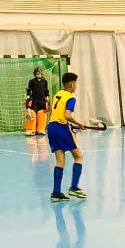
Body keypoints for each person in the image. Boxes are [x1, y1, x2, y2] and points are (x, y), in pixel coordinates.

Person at [47, 72, 89, 202]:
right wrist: (78, 124)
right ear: (72, 84)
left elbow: (56, 112)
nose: (76, 86)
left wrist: (70, 124)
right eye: (75, 83)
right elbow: (67, 115)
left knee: (60, 161)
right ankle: (74, 187)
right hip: (61, 128)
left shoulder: (58, 94)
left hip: (51, 127)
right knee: (78, 157)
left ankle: (56, 193)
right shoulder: (71, 98)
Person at [25, 67, 51, 136]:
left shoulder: (45, 82)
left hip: (42, 101)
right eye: (37, 72)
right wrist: (27, 98)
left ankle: (41, 129)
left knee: (42, 113)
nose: (39, 73)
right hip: (34, 100)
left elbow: (46, 90)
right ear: (34, 74)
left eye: (40, 72)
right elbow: (29, 90)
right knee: (31, 113)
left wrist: (47, 99)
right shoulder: (32, 81)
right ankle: (30, 129)